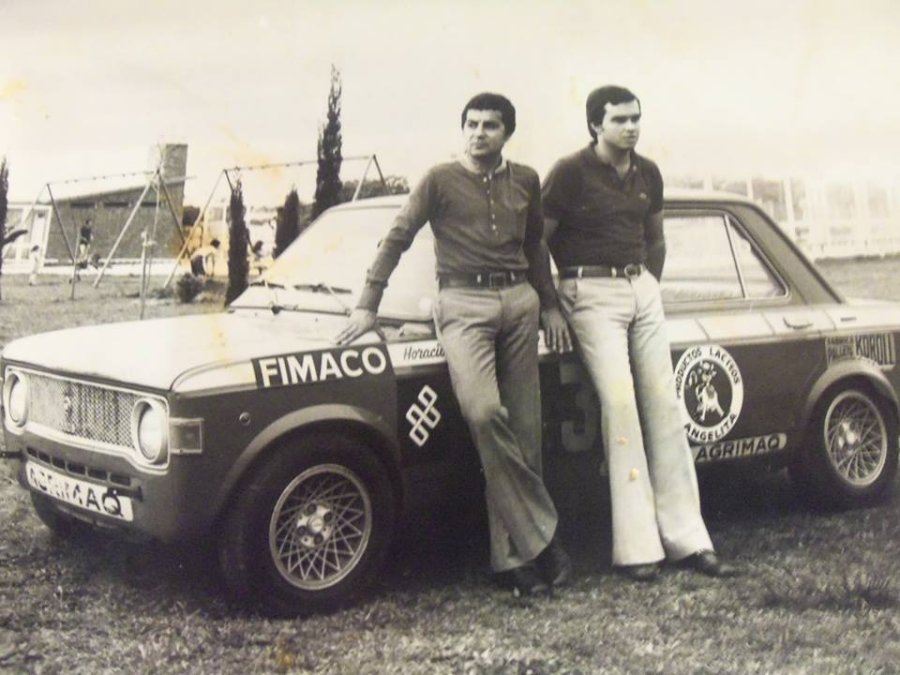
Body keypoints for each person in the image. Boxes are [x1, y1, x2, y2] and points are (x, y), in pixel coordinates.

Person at [336, 92, 572, 595]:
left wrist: (549, 303)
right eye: (471, 123)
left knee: (525, 432)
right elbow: (396, 236)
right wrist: (367, 304)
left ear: (507, 132)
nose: (478, 132)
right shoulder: (439, 180)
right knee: (485, 415)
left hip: (520, 302)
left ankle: (512, 561)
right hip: (463, 304)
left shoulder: (527, 179)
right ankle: (545, 537)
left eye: (490, 125)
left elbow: (534, 245)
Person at [541, 85, 736, 581]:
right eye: (620, 119)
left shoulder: (648, 171)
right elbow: (534, 242)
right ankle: (637, 549)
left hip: (640, 289)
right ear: (595, 126)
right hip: (588, 293)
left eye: (636, 118)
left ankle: (689, 541)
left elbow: (657, 239)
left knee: (664, 407)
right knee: (621, 405)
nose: (631, 127)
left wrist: (646, 285)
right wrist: (552, 305)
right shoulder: (568, 172)